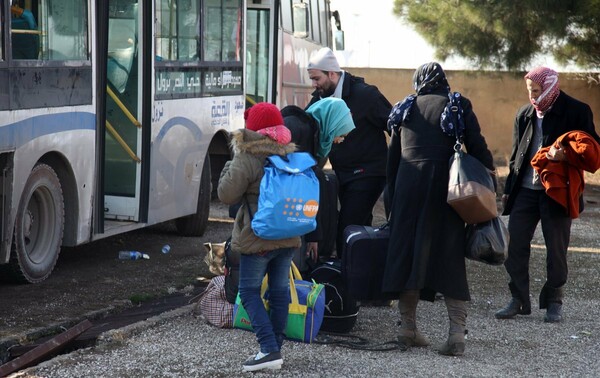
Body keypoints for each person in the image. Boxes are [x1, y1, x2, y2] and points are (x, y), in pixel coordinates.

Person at [383, 62, 495, 356]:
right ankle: (456, 335)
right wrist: (489, 181)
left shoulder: (404, 108)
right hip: (446, 192)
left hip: (408, 190)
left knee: (408, 255)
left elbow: (392, 162)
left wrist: (391, 204)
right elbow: (479, 147)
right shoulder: (457, 106)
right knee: (449, 257)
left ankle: (407, 328)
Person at [495, 67, 600, 323]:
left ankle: (554, 301)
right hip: (525, 192)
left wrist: (566, 156)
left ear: (550, 87)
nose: (532, 96)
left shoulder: (576, 111)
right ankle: (518, 299)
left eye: (537, 90)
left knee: (556, 250)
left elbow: (593, 151)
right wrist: (508, 191)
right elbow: (515, 156)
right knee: (515, 244)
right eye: (529, 91)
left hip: (559, 191)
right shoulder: (525, 113)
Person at [217, 102, 300, 372]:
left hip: (258, 238)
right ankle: (275, 346)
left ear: (253, 128)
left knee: (249, 292)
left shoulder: (248, 156)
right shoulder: (288, 155)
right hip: (287, 237)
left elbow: (226, 195)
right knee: (279, 291)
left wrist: (227, 168)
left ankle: (268, 348)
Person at [306, 47, 391, 258]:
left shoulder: (366, 95)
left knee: (346, 227)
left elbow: (394, 125)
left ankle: (346, 278)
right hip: (343, 173)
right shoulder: (320, 98)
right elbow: (306, 123)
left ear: (332, 74)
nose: (314, 84)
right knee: (359, 226)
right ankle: (363, 275)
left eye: (317, 78)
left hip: (369, 172)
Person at [282, 98, 356, 266]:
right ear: (332, 122)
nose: (339, 140)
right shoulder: (300, 130)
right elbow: (302, 187)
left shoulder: (309, 131)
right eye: (341, 134)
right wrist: (312, 236)